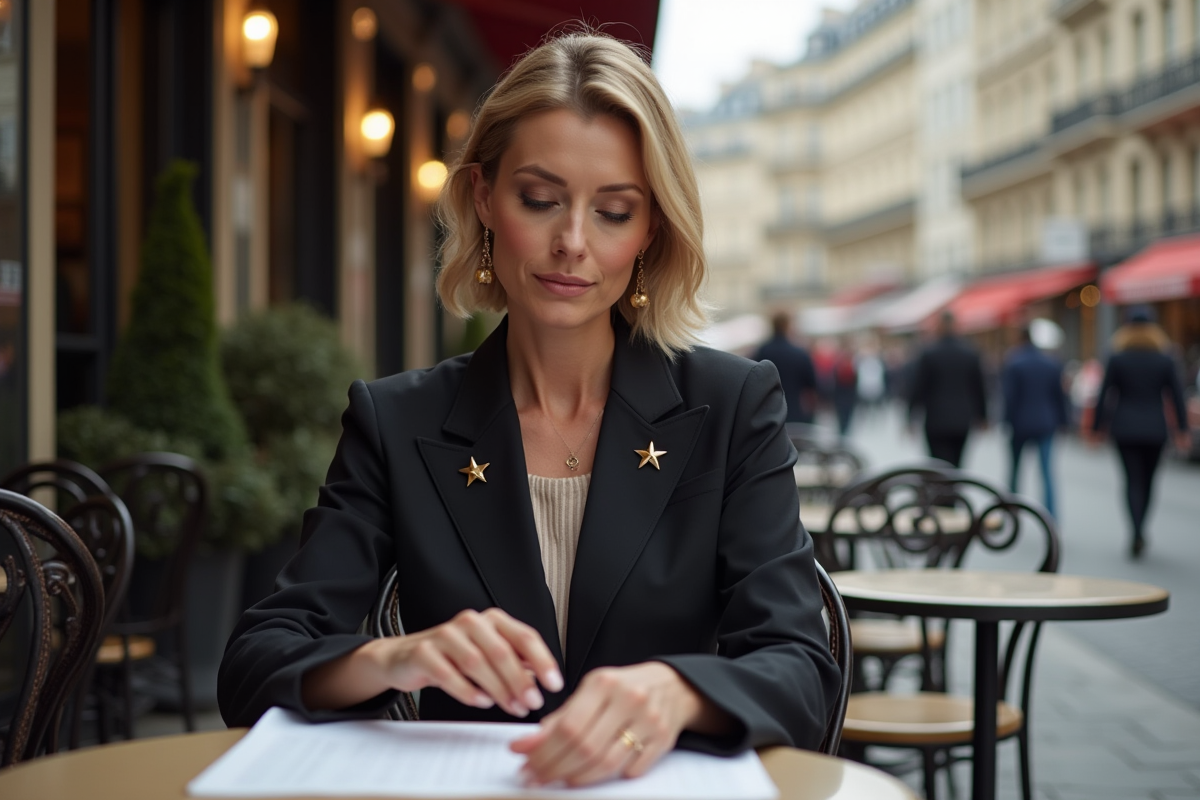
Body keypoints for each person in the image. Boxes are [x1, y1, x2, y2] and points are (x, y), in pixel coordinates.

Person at [218, 32, 839, 789]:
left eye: (614, 211)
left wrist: (677, 693)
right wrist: (391, 657)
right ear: (483, 197)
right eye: (540, 200)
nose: (572, 242)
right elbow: (254, 663)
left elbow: (804, 671)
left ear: (650, 232)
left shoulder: (734, 405)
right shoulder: (396, 420)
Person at [1089, 307, 1189, 559]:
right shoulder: (1165, 358)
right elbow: (1177, 396)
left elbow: (1105, 395)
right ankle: (1141, 527)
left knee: (1131, 481)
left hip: (1124, 428)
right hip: (1155, 428)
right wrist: (1183, 430)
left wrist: (1095, 428)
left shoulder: (1118, 356)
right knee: (1149, 482)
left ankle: (1135, 530)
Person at [1001, 326, 1069, 518]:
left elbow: (1010, 398)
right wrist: (1064, 422)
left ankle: (1010, 510)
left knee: (1015, 471)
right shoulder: (1051, 364)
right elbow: (1059, 397)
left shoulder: (1014, 363)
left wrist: (1006, 421)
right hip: (1046, 423)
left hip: (1020, 423)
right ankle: (1051, 515)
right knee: (1047, 472)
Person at [907, 311, 988, 467]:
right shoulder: (970, 353)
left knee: (939, 466)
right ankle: (954, 490)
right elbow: (979, 388)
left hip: (936, 420)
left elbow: (918, 388)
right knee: (957, 464)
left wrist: (911, 417)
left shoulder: (929, 354)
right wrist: (983, 416)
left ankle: (944, 491)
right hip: (962, 420)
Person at [753, 311, 818, 424]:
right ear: (788, 325)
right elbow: (812, 384)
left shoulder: (762, 352)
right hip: (795, 410)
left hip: (768, 411)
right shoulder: (800, 353)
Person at [830, 338, 858, 436]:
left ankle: (842, 431)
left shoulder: (839, 365)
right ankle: (844, 431)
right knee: (847, 415)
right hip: (848, 395)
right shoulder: (852, 366)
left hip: (841, 396)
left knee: (842, 416)